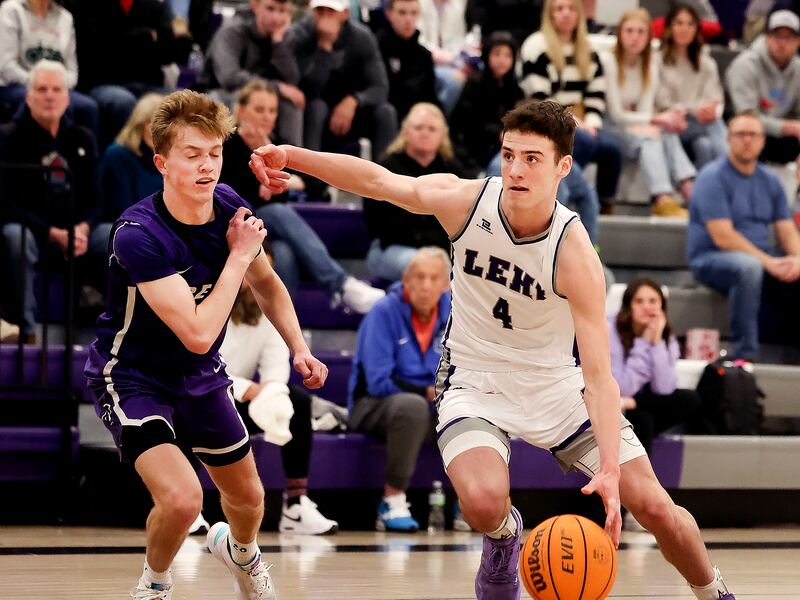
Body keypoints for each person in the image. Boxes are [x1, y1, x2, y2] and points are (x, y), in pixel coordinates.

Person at [249, 98, 737, 600]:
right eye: (509, 155)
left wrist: (611, 470)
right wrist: (293, 154)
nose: (516, 170)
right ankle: (506, 535)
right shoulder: (467, 202)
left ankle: (713, 591)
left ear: (563, 167)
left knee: (655, 506)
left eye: (532, 159)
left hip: (555, 385)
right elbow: (378, 181)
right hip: (474, 378)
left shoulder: (575, 254)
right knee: (483, 502)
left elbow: (598, 376)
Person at [83, 89, 328, 599]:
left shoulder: (229, 206)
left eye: (214, 153)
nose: (206, 166)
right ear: (161, 162)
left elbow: (268, 285)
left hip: (200, 377)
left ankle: (242, 555)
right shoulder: (136, 234)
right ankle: (153, 585)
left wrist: (299, 348)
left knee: (250, 500)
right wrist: (238, 259)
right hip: (132, 377)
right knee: (182, 499)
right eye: (192, 155)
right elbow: (196, 333)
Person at [220, 79, 385, 312]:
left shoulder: (278, 146)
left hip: (268, 232)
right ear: (241, 110)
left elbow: (316, 183)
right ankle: (341, 285)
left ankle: (280, 333)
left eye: (272, 110)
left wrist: (286, 181)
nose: (267, 116)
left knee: (285, 255)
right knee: (277, 211)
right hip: (236, 225)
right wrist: (273, 180)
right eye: (259, 109)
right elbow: (239, 196)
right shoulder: (227, 146)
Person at [221, 277, 339, 535]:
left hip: (240, 401)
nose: (252, 279)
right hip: (204, 391)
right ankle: (191, 511)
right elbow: (200, 360)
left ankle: (295, 505)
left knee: (296, 401)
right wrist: (244, 388)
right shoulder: (211, 303)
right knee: (190, 406)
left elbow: (275, 374)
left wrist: (268, 392)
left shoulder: (266, 314)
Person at [348, 246, 451, 532]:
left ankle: (467, 503)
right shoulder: (383, 312)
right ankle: (392, 500)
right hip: (372, 405)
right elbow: (378, 381)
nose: (426, 285)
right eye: (419, 277)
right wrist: (427, 392)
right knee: (412, 407)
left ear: (446, 284)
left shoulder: (456, 314)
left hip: (432, 406)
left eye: (434, 278)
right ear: (406, 279)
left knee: (476, 410)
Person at [0, 60, 101, 343]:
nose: (49, 96)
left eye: (56, 89)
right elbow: (5, 202)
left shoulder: (82, 138)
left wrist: (83, 228)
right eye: (41, 89)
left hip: (76, 231)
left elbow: (96, 199)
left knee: (114, 237)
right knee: (13, 236)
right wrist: (52, 233)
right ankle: (27, 332)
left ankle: (118, 334)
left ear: (67, 97)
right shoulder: (9, 136)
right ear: (28, 96)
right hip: (33, 232)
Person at [688, 110, 800, 361]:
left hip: (760, 256)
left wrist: (797, 258)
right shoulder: (712, 177)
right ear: (728, 139)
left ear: (763, 141)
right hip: (712, 257)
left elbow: (786, 229)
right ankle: (746, 355)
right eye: (741, 134)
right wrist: (769, 262)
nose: (747, 140)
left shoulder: (770, 180)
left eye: (753, 135)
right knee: (749, 268)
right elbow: (723, 237)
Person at [520, 0, 623, 212]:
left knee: (612, 150)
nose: (566, 14)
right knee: (583, 141)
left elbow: (596, 93)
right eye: (559, 9)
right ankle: (561, 190)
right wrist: (575, 122)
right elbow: (540, 98)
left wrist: (593, 122)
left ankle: (605, 206)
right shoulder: (536, 46)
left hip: (582, 120)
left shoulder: (589, 49)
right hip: (547, 121)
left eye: (571, 9)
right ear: (550, 14)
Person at [602, 8, 696, 217]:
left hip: (633, 125)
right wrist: (654, 119)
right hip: (610, 126)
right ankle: (662, 197)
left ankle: (689, 188)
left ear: (648, 36)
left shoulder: (650, 67)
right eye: (629, 31)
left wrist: (652, 121)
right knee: (651, 137)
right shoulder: (608, 62)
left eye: (641, 32)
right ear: (620, 34)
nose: (635, 37)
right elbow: (616, 114)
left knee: (665, 132)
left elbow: (644, 111)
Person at [287, 0, 397, 159]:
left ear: (345, 13)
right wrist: (324, 47)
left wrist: (354, 101)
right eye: (320, 11)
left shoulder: (361, 37)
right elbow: (307, 88)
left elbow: (380, 87)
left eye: (330, 11)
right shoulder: (299, 34)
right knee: (317, 107)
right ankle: (311, 179)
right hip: (313, 110)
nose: (325, 17)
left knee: (386, 112)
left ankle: (386, 174)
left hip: (352, 112)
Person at [363, 102, 459, 281]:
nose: (425, 133)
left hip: (439, 252)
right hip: (389, 249)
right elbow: (378, 223)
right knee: (429, 268)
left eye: (432, 129)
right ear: (406, 132)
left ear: (442, 135)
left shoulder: (453, 171)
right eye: (419, 127)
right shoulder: (386, 168)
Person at [609, 278, 704, 454]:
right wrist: (644, 342)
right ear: (628, 306)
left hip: (636, 403)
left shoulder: (665, 333)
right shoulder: (611, 330)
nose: (647, 307)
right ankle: (638, 481)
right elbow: (624, 387)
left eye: (653, 301)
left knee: (691, 399)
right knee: (643, 421)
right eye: (639, 301)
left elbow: (664, 389)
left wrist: (657, 341)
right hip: (612, 404)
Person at [201, 0, 304, 146]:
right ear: (255, 5)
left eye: (282, 11)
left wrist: (279, 44)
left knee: (292, 104)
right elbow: (229, 78)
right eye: (270, 9)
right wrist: (277, 87)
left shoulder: (285, 38)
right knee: (251, 103)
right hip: (220, 92)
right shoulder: (232, 32)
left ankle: (293, 161)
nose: (275, 17)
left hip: (263, 94)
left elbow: (292, 81)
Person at [0, 0, 99, 137]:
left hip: (55, 84)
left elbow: (71, 70)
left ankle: (82, 155)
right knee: (55, 102)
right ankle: (44, 153)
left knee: (87, 107)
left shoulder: (65, 17)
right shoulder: (12, 10)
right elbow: (6, 66)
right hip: (15, 85)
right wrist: (39, 84)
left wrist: (58, 86)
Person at [656, 2, 728, 170]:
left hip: (702, 122)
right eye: (679, 23)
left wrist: (707, 111)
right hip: (673, 122)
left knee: (705, 146)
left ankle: (705, 190)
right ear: (669, 27)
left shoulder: (707, 63)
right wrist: (696, 109)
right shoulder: (658, 61)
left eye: (690, 24)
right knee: (713, 130)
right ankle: (733, 168)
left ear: (697, 29)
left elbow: (715, 100)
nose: (684, 29)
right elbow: (662, 102)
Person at [726, 8, 800, 170]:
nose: (782, 43)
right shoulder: (745, 65)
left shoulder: (798, 68)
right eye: (777, 36)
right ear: (766, 38)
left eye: (788, 37)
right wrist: (788, 127)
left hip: (785, 136)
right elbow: (746, 117)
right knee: (749, 136)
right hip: (749, 132)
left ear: (797, 41)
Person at [450, 30, 525, 177]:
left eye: (507, 55)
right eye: (497, 54)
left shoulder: (515, 87)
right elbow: (467, 122)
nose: (502, 60)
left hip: (504, 145)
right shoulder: (475, 84)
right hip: (475, 146)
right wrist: (497, 132)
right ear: (487, 55)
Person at [377, 0, 439, 122]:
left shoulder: (424, 55)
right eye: (402, 13)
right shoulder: (376, 48)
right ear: (388, 14)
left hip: (419, 120)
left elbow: (430, 97)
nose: (408, 19)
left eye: (414, 13)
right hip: (390, 119)